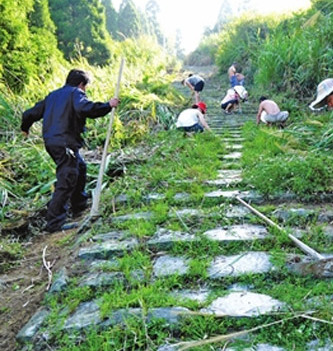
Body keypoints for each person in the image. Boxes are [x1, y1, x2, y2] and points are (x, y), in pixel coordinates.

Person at [21, 69, 120, 233]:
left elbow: (30, 113)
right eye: (85, 87)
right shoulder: (76, 93)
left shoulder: (53, 95)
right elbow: (85, 108)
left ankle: (79, 206)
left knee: (80, 168)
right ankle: (54, 224)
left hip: (52, 142)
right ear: (82, 84)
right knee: (66, 179)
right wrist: (107, 105)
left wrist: (25, 128)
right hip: (65, 142)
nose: (85, 90)